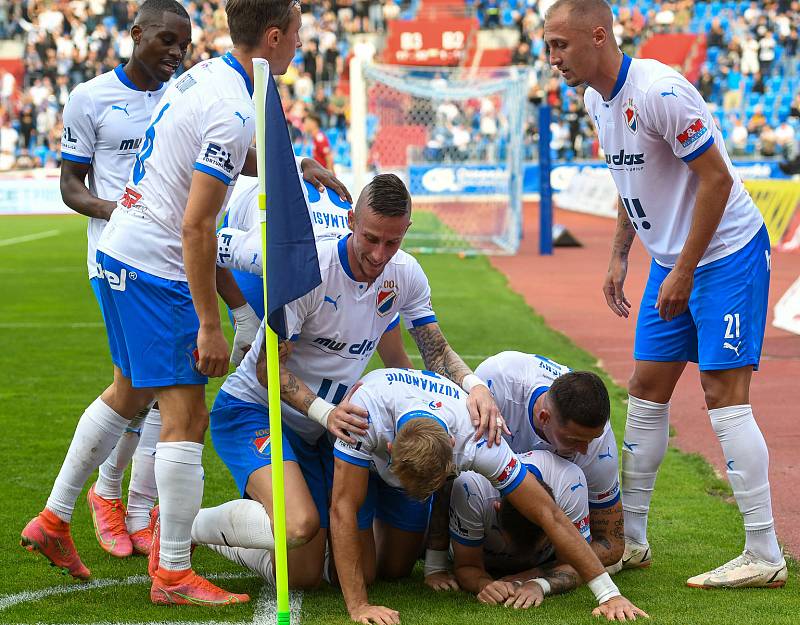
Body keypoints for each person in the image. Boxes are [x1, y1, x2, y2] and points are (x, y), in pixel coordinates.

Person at [544, 0, 787, 589]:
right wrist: (620, 254)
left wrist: (684, 269)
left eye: (560, 46)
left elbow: (717, 178)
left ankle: (764, 551)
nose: (552, 59)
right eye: (549, 47)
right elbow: (632, 183)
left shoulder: (660, 91)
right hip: (669, 260)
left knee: (722, 394)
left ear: (597, 36)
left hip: (725, 254)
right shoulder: (593, 100)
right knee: (646, 391)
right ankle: (631, 540)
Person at [93, 0, 305, 607]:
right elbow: (197, 226)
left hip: (125, 251)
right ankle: (174, 572)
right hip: (154, 265)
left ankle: (62, 516)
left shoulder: (211, 73)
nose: (299, 44)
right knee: (184, 418)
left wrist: (294, 169)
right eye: (295, 33)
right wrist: (214, 322)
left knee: (135, 396)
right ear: (273, 36)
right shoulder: (235, 107)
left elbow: (214, 164)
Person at [198, 173, 502, 588]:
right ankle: (190, 523)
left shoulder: (406, 275)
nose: (379, 254)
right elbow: (266, 370)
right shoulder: (308, 273)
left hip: (325, 426)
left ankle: (278, 506)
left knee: (323, 574)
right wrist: (326, 414)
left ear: (406, 231)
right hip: (256, 409)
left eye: (392, 242)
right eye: (371, 238)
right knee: (300, 525)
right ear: (350, 220)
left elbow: (435, 350)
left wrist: (476, 386)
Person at [20, 0, 192, 578]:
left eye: (183, 45)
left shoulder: (183, 94)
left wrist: (292, 164)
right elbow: (71, 185)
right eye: (166, 40)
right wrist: (119, 212)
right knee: (161, 390)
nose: (175, 53)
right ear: (135, 33)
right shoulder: (89, 98)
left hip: (171, 260)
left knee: (144, 387)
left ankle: (98, 507)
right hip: (118, 260)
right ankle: (118, 509)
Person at [331, 368, 648, 624]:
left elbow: (547, 514)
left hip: (420, 454)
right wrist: (359, 607)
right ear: (390, 449)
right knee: (346, 562)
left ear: (454, 454)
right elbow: (343, 508)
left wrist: (609, 595)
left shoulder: (479, 438)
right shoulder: (362, 415)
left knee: (394, 569)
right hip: (368, 452)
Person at [474, 353, 623, 567]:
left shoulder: (598, 443)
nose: (584, 449)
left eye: (591, 440)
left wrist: (537, 580)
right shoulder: (495, 385)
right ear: (544, 418)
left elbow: (612, 542)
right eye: (574, 440)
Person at [450, 449, 593, 609]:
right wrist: (484, 585)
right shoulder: (472, 489)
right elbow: (466, 565)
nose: (521, 560)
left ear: (557, 522)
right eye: (513, 545)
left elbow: (577, 565)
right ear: (497, 508)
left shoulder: (569, 483)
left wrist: (539, 584)